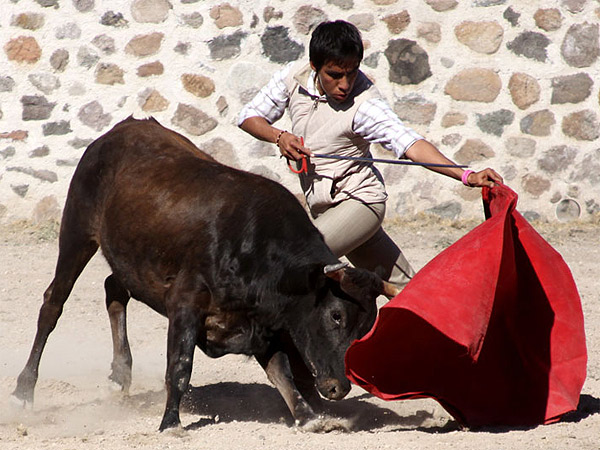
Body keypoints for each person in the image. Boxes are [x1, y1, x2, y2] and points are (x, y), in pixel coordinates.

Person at [238, 20, 503, 288]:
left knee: (294, 257)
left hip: (361, 204)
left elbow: (411, 144)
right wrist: (279, 137)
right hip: (326, 209)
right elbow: (248, 116)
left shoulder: (366, 105)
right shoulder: (292, 78)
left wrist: (466, 175)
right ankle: (444, 324)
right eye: (335, 75)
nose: (345, 84)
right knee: (403, 287)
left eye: (351, 73)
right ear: (314, 66)